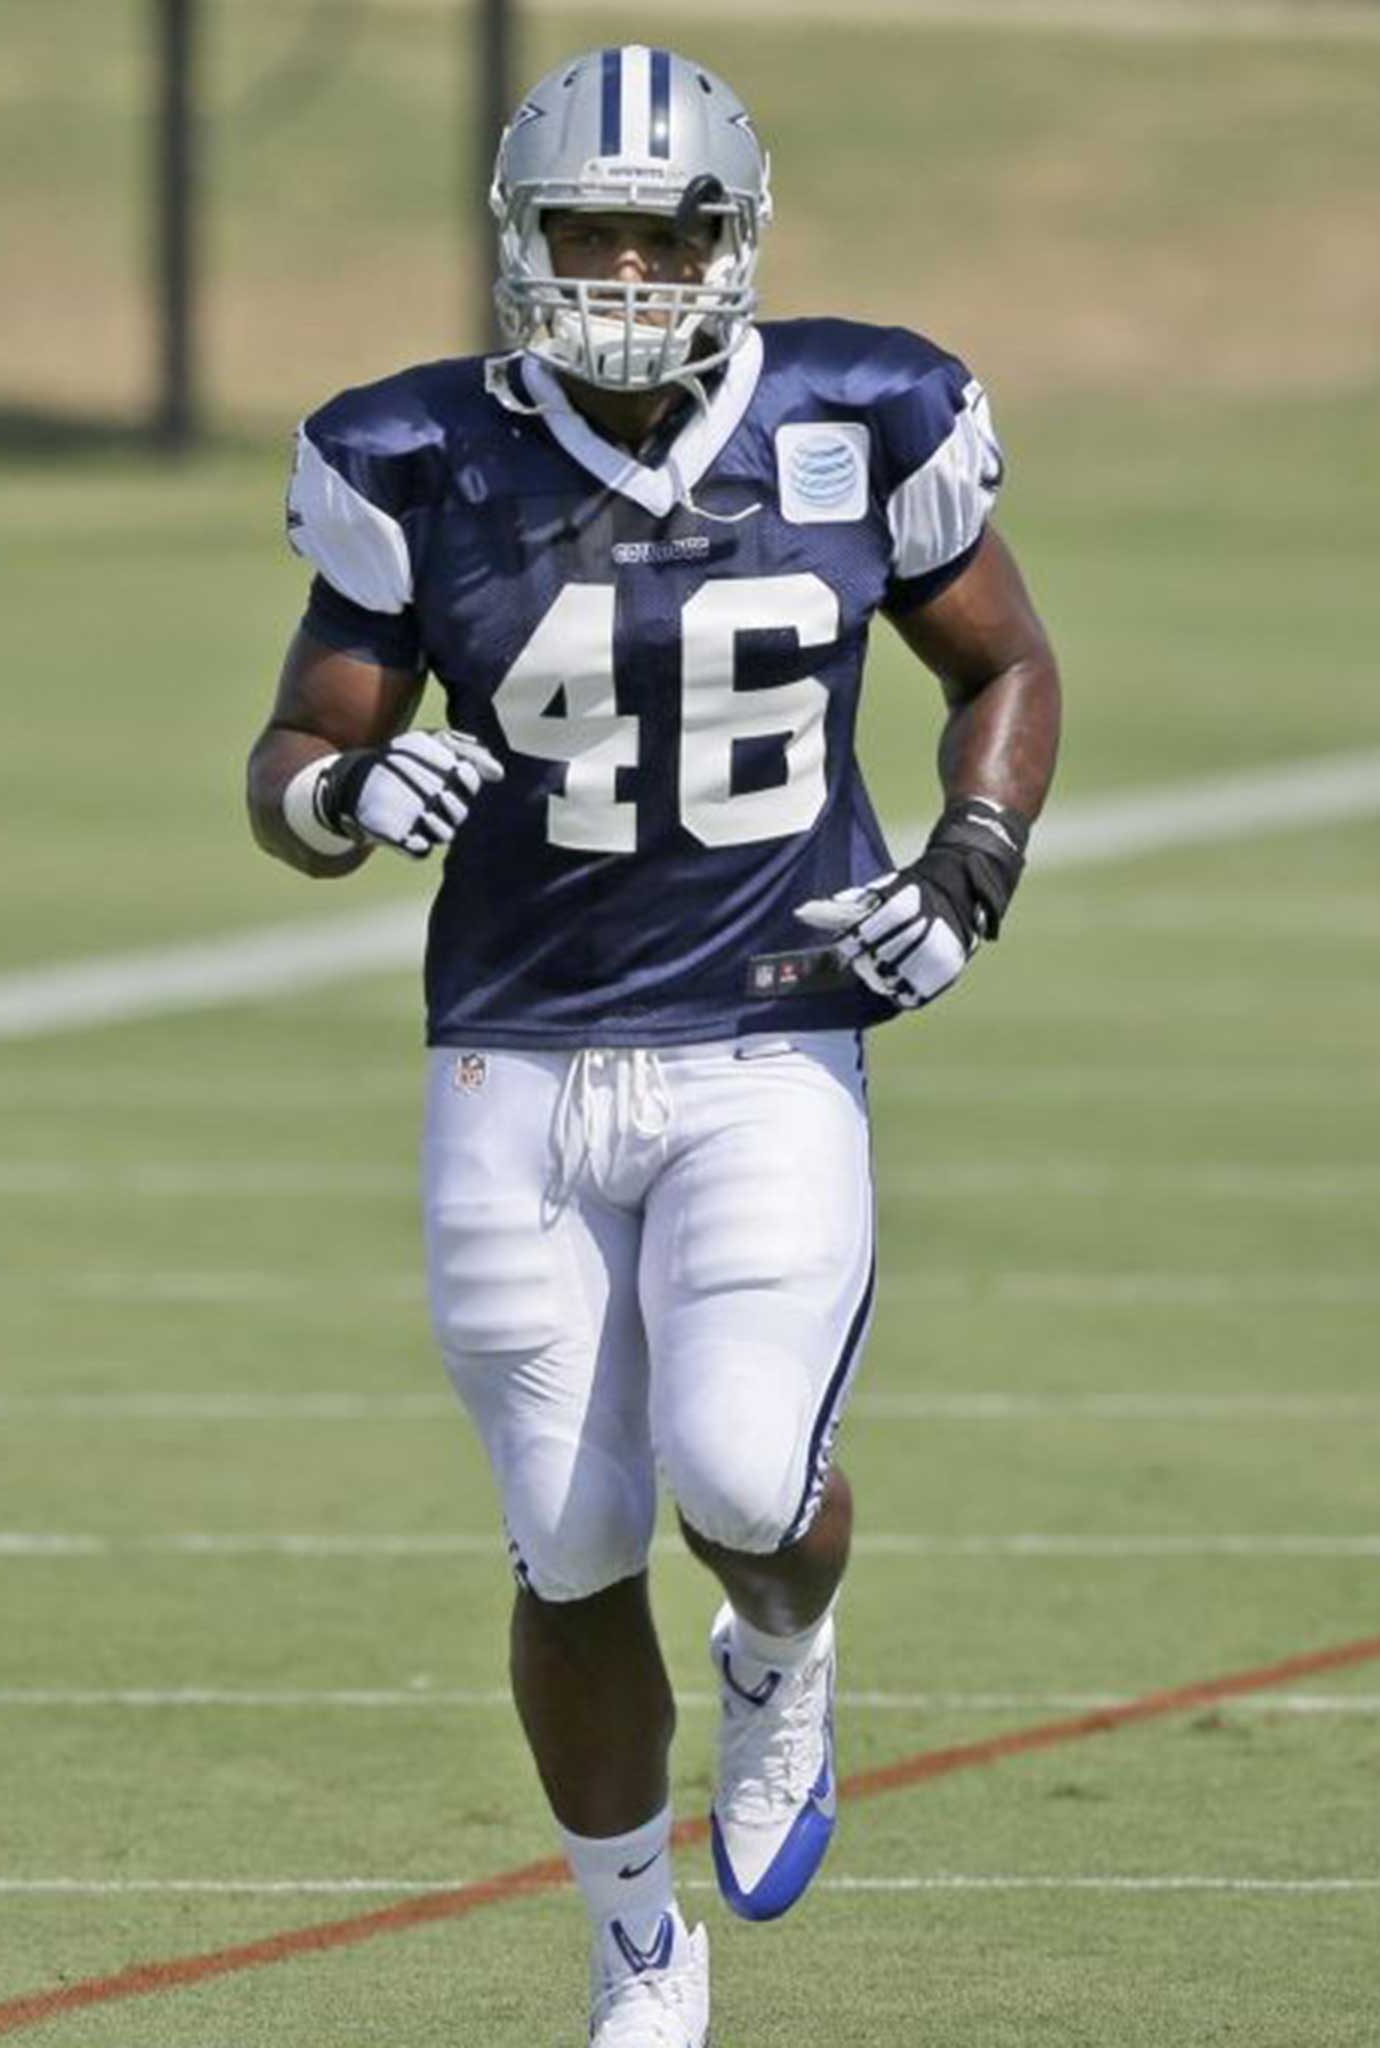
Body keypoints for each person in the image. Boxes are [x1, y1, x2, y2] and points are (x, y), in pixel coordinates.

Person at [247, 42, 1060, 2048]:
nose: (620, 269)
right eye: (583, 231)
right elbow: (288, 761)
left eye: (659, 229)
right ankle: (635, 1947)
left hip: (769, 1027)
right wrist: (350, 802)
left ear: (734, 240)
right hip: (513, 1049)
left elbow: (1005, 663)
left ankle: (784, 1651)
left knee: (741, 1475)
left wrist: (967, 867)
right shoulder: (417, 453)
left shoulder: (865, 413)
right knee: (571, 1531)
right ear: (518, 240)